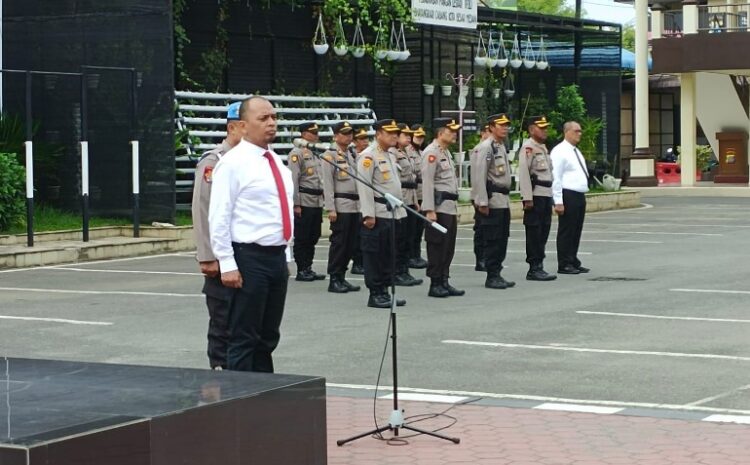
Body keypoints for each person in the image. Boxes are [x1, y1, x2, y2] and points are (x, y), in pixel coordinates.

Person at [209, 96, 294, 373]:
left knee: (268, 335)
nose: (271, 123)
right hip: (248, 256)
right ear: (243, 126)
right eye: (263, 118)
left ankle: (263, 395)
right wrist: (227, 263)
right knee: (244, 335)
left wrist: (286, 255)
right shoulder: (233, 163)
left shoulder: (275, 162)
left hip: (275, 256)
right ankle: (239, 401)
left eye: (274, 117)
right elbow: (219, 215)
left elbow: (280, 211)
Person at [192, 101, 243, 370]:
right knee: (223, 320)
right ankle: (219, 376)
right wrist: (207, 256)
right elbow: (201, 210)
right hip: (222, 257)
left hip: (247, 255)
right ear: (232, 127)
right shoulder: (214, 161)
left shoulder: (256, 160)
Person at [357, 119, 407, 309]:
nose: (395, 136)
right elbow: (364, 186)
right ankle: (375, 292)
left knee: (389, 255)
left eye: (396, 132)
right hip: (378, 214)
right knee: (375, 255)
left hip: (393, 213)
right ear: (378, 134)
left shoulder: (389, 155)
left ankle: (385, 290)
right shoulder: (368, 156)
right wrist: (368, 214)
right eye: (390, 133)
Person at [470, 113, 515, 290]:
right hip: (492, 199)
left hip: (502, 200)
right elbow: (479, 175)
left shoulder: (500, 146)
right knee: (493, 238)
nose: (504, 128)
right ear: (491, 127)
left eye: (506, 125)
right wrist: (481, 201)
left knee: (502, 237)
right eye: (501, 125)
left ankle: (497, 272)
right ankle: (492, 274)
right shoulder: (486, 147)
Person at [422, 118, 465, 298]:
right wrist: (429, 209)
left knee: (448, 246)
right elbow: (427, 182)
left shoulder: (444, 152)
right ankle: (435, 283)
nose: (455, 134)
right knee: (437, 246)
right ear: (440, 133)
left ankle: (444, 280)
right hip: (438, 208)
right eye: (451, 131)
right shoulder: (431, 153)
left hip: (448, 207)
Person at [321, 121, 361, 294]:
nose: (348, 136)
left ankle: (342, 277)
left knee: (350, 244)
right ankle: (334, 278)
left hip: (354, 205)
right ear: (336, 136)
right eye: (344, 133)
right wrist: (331, 208)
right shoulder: (329, 156)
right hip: (341, 205)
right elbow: (327, 183)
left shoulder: (351, 154)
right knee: (339, 244)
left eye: (350, 133)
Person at [518, 115, 557, 282]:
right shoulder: (528, 147)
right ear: (532, 129)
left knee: (544, 231)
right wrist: (527, 198)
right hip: (535, 195)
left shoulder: (542, 147)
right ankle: (534, 267)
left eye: (546, 127)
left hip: (546, 194)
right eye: (541, 128)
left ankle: (539, 264)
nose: (545, 130)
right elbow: (524, 173)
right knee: (534, 232)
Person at [288, 122, 326, 282]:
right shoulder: (296, 153)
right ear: (303, 134)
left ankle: (308, 267)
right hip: (304, 199)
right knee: (302, 237)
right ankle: (302, 269)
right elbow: (293, 180)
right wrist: (296, 203)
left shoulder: (315, 152)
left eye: (317, 132)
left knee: (314, 235)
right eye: (313, 132)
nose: (316, 135)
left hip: (316, 200)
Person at [551, 121, 590, 275]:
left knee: (576, 229)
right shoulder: (560, 151)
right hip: (568, 194)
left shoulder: (574, 150)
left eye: (580, 131)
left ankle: (573, 259)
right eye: (576, 131)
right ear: (566, 132)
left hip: (578, 194)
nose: (579, 133)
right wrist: (558, 201)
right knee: (567, 230)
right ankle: (564, 263)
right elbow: (556, 178)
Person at [393, 123, 423, 287]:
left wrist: (415, 202)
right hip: (401, 200)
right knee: (400, 238)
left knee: (408, 237)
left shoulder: (407, 153)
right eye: (405, 135)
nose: (409, 137)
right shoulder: (393, 153)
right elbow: (396, 181)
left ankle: (405, 271)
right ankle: (398, 272)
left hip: (410, 199)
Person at [406, 124, 428, 269]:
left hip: (421, 193)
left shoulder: (421, 152)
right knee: (411, 229)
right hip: (412, 193)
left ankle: (416, 254)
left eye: (422, 137)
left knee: (419, 228)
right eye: (417, 136)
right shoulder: (408, 151)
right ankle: (410, 256)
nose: (419, 139)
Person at [472, 123, 492, 272]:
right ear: (482, 133)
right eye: (487, 132)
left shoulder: (492, 148)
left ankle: (486, 257)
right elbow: (478, 176)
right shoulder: (479, 149)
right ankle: (480, 259)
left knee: (488, 230)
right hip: (479, 194)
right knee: (481, 229)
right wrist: (480, 198)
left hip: (487, 193)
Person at [350, 127, 370, 275]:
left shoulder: (367, 156)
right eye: (361, 139)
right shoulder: (351, 156)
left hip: (363, 201)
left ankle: (362, 262)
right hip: (353, 201)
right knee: (356, 236)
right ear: (354, 141)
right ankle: (357, 263)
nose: (365, 142)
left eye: (366, 138)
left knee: (364, 235)